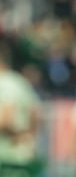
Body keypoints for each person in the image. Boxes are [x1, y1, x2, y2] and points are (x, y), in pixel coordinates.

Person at [0, 42, 43, 177]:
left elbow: (5, 119)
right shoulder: (19, 82)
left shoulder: (5, 83)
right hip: (21, 154)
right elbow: (36, 114)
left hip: (8, 157)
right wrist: (28, 135)